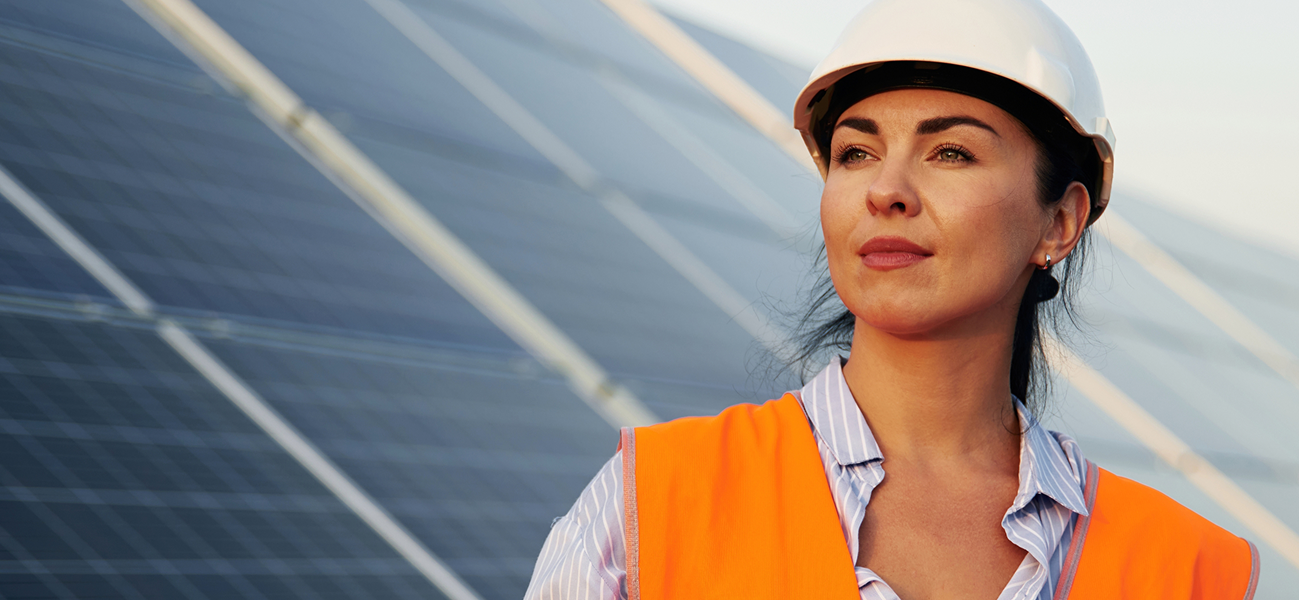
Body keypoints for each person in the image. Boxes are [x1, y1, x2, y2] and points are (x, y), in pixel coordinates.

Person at [526, 0, 1258, 597]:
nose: (885, 191)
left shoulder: (1186, 569)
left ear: (1059, 221)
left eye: (951, 152)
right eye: (856, 152)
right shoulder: (651, 507)